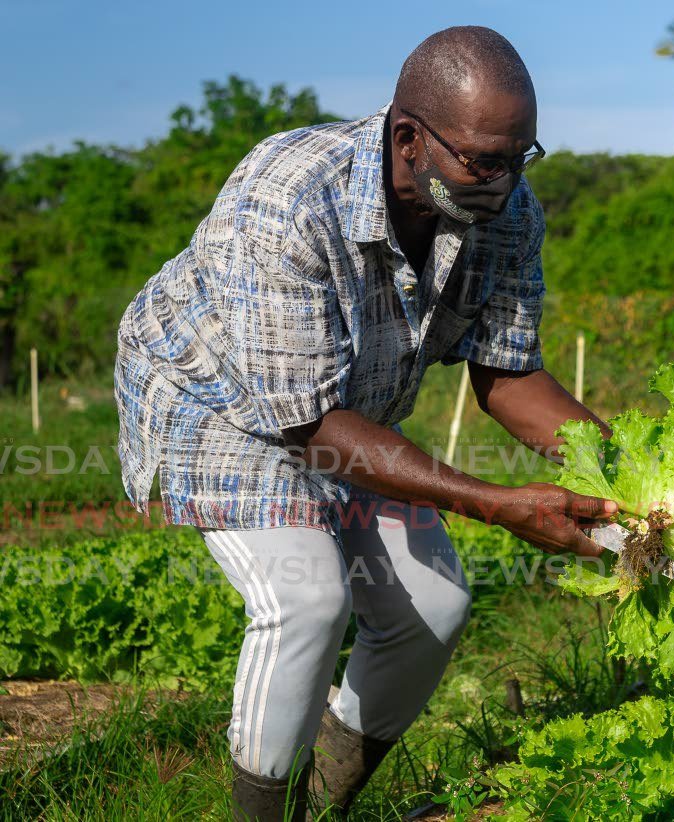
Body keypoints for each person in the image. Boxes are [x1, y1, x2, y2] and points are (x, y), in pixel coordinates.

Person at [113, 26, 616, 821]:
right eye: (481, 161)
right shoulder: (289, 195)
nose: (502, 182)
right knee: (306, 599)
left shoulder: (509, 214)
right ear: (408, 137)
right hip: (222, 403)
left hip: (352, 414)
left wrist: (627, 472)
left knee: (435, 607)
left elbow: (507, 370)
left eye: (521, 157)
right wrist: (494, 502)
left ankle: (324, 802)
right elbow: (306, 425)